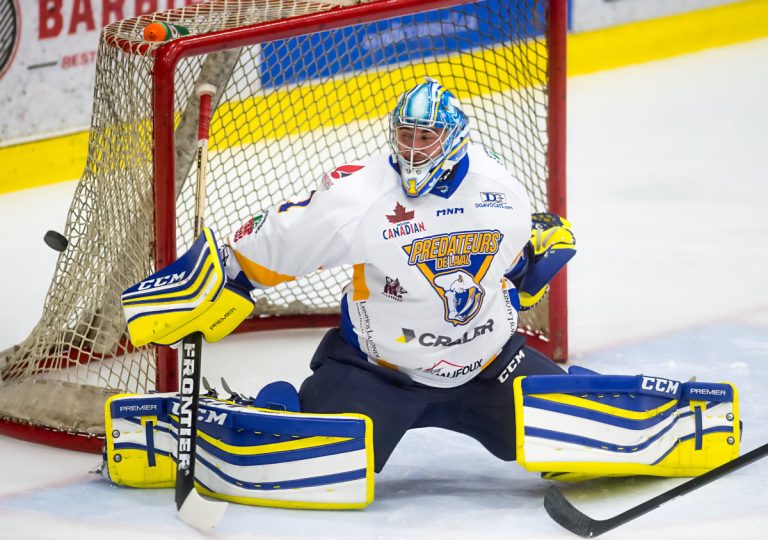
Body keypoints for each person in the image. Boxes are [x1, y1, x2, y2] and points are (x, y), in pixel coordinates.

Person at [120, 78, 740, 493]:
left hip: (490, 365)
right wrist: (216, 277)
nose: (413, 151)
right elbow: (268, 248)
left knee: (577, 434)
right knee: (319, 460)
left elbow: (512, 272)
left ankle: (645, 405)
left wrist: (531, 267)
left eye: (427, 138)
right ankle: (253, 412)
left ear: (454, 137)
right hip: (377, 373)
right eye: (405, 137)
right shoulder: (357, 196)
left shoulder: (500, 192)